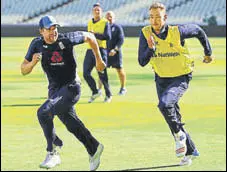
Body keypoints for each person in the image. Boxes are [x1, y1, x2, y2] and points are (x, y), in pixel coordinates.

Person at [20, 15, 105, 171]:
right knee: (71, 124)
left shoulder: (67, 39)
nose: (53, 32)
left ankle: (52, 152)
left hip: (72, 87)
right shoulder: (36, 44)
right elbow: (23, 69)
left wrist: (99, 60)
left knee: (43, 112)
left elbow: (91, 37)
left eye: (55, 28)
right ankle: (94, 147)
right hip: (55, 90)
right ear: (41, 31)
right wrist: (32, 63)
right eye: (49, 29)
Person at [138, 2, 213, 166]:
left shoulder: (178, 31)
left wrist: (208, 53)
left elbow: (199, 31)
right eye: (151, 17)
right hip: (161, 78)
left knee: (165, 105)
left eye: (158, 17)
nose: (155, 20)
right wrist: (150, 48)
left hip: (181, 76)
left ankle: (179, 137)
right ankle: (191, 150)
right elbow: (142, 62)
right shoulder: (145, 33)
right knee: (172, 116)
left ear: (165, 17)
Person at [84, 3, 112, 103]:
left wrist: (95, 35)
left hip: (101, 49)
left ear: (101, 12)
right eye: (95, 10)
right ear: (92, 12)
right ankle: (95, 91)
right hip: (90, 50)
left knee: (102, 73)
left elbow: (108, 36)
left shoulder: (105, 22)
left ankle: (108, 95)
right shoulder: (89, 22)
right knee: (86, 73)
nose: (97, 12)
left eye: (98, 10)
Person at [98, 11, 127, 96]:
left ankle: (123, 88)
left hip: (116, 53)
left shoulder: (117, 27)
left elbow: (121, 39)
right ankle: (99, 90)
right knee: (101, 70)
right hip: (105, 52)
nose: (109, 18)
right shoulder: (103, 27)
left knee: (119, 70)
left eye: (110, 16)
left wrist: (115, 49)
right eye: (107, 16)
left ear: (114, 17)